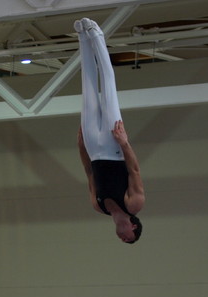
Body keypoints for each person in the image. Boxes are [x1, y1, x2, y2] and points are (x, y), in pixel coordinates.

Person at [75, 18, 145, 243]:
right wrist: (124, 143)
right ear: (134, 227)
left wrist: (81, 147)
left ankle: (82, 37)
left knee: (87, 89)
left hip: (94, 150)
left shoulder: (98, 206)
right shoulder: (134, 204)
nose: (123, 238)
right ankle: (96, 34)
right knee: (108, 89)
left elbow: (89, 172)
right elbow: (134, 171)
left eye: (123, 241)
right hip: (114, 147)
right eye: (129, 238)